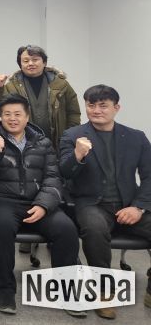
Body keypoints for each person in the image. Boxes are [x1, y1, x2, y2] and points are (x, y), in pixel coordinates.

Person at [0, 95, 81, 316]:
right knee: (1, 228)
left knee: (66, 229)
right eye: (7, 114)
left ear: (27, 116)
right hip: (2, 201)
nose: (12, 119)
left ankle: (65, 289)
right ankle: (5, 288)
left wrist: (43, 205)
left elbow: (53, 177)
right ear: (1, 117)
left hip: (38, 201)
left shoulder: (43, 143)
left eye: (17, 114)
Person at [59, 84, 151, 320]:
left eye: (103, 106)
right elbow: (64, 173)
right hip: (92, 204)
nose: (96, 110)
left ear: (116, 108)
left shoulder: (136, 137)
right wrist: (78, 155)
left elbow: (149, 176)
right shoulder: (73, 136)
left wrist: (139, 207)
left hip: (129, 204)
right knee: (95, 229)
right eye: (91, 105)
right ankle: (104, 291)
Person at [0, 45, 80, 150]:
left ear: (44, 62)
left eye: (35, 60)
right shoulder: (11, 86)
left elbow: (73, 113)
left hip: (57, 143)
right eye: (26, 61)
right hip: (24, 145)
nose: (30, 63)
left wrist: (69, 136)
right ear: (20, 65)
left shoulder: (61, 84)